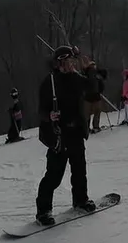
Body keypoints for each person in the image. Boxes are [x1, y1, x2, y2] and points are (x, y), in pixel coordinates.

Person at [35, 46, 95, 225]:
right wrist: (49, 116)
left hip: (76, 132)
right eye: (67, 62)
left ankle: (81, 200)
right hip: (59, 135)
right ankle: (43, 211)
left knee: (79, 170)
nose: (70, 65)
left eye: (72, 61)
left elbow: (94, 92)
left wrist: (90, 70)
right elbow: (41, 110)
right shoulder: (50, 82)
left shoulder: (76, 78)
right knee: (54, 175)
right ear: (59, 64)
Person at [83, 61, 107, 133]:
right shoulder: (97, 74)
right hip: (95, 96)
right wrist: (100, 91)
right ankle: (95, 126)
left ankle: (86, 128)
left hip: (88, 96)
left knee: (87, 113)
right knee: (97, 112)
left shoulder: (85, 73)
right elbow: (101, 84)